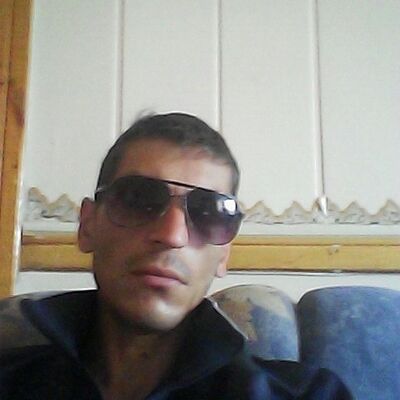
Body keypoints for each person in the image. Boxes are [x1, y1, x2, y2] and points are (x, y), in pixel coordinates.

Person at [0, 113, 352, 399]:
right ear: (88, 225)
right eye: (138, 200)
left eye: (210, 213)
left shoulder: (310, 395)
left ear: (224, 253)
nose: (173, 236)